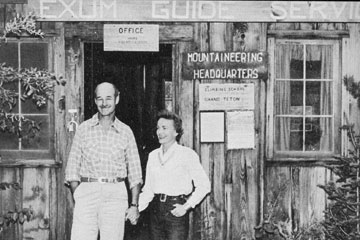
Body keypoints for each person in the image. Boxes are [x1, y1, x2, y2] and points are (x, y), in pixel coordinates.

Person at [65, 82, 143, 240]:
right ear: (95, 101)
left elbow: (135, 174)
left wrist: (134, 205)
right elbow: (72, 167)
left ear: (117, 99)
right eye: (99, 99)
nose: (104, 103)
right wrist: (78, 193)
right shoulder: (84, 129)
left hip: (115, 194)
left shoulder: (126, 132)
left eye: (108, 98)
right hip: (87, 191)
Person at [137, 110, 211, 240]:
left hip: (175, 211)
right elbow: (148, 190)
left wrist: (186, 206)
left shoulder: (187, 154)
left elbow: (204, 185)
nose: (160, 132)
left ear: (176, 132)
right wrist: (135, 208)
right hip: (155, 210)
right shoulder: (153, 156)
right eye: (158, 128)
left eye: (164, 128)